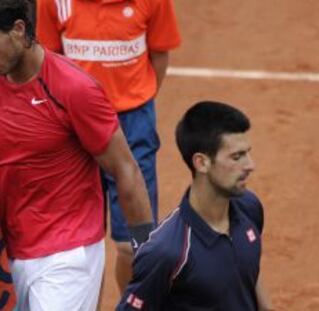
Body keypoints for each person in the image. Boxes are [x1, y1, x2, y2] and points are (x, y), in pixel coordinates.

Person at [0, 0, 154, 310]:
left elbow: (125, 168)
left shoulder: (75, 89)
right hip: (6, 246)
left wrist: (147, 254)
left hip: (68, 252)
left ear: (19, 30)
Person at [36, 0, 181, 291]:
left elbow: (159, 56)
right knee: (79, 248)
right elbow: (49, 61)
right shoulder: (52, 2)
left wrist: (136, 98)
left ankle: (132, 305)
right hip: (74, 127)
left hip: (133, 125)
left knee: (132, 246)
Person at [117, 101, 274, 310]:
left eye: (247, 153)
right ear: (201, 163)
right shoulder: (167, 251)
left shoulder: (249, 207)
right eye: (237, 157)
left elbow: (248, 271)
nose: (250, 165)